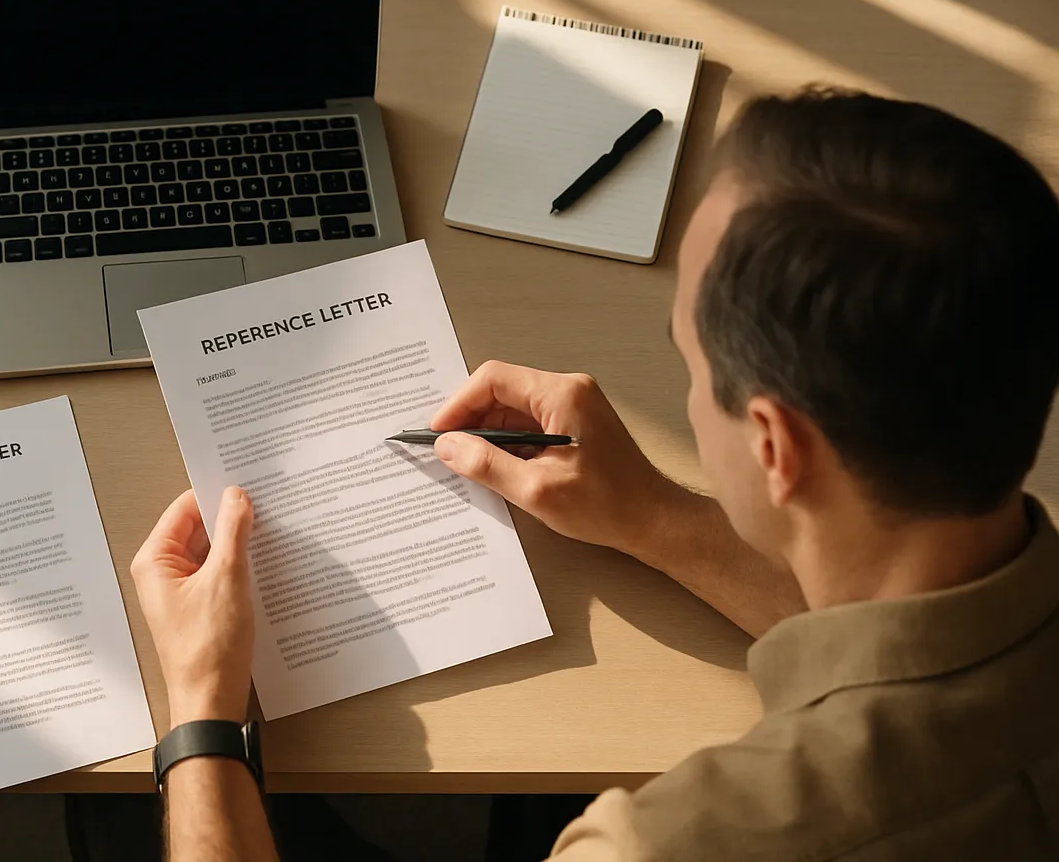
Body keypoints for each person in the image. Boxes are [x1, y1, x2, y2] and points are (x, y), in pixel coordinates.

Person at [128, 88, 1059, 860]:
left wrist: (205, 715)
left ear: (775, 448)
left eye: (689, 365)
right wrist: (653, 516)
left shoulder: (662, 845)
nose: (687, 394)